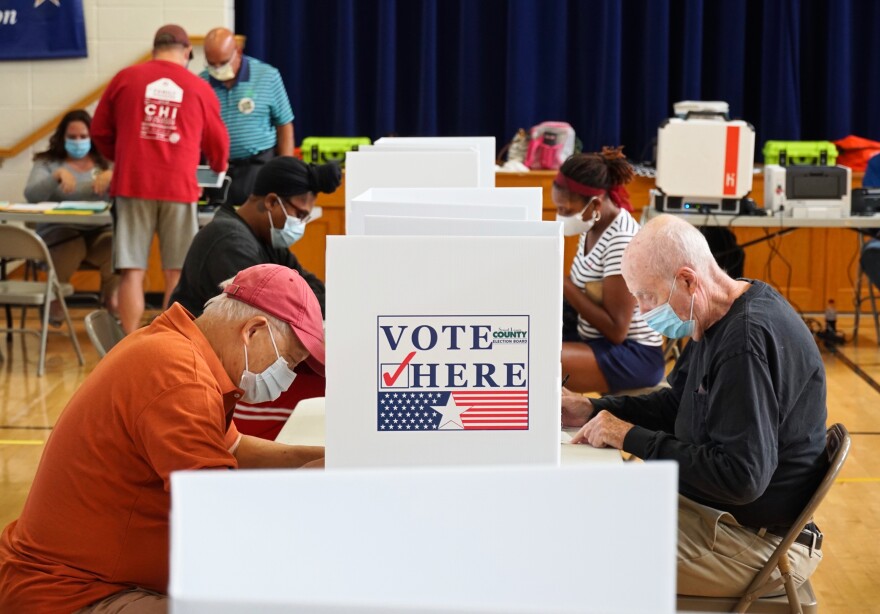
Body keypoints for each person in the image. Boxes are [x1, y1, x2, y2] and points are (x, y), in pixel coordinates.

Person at [0, 263, 325, 612]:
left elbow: (233, 448)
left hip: (85, 577)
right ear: (253, 332)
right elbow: (218, 516)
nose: (288, 377)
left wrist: (321, 459)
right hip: (73, 592)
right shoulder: (179, 377)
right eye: (289, 362)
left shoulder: (180, 348)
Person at [562, 213, 828, 597]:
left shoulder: (744, 344)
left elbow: (741, 477)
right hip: (721, 517)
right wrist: (594, 409)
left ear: (687, 279)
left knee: (579, 555)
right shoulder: (716, 311)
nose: (640, 310)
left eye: (647, 296)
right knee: (583, 513)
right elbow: (677, 406)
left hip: (754, 542)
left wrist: (629, 437)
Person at [170, 156, 339, 440]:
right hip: (202, 373)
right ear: (272, 202)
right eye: (299, 215)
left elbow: (312, 293)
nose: (301, 224)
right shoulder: (229, 241)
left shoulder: (263, 240)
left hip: (225, 363)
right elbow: (279, 313)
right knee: (322, 385)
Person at [91, 24, 229, 334]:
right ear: (187, 52)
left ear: (154, 49)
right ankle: (167, 343)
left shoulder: (125, 78)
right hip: (179, 187)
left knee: (131, 272)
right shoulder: (198, 88)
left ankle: (129, 343)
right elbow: (219, 144)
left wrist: (123, 156)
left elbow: (98, 130)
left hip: (131, 183)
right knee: (177, 273)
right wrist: (217, 169)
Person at [555, 147, 664, 393]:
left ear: (595, 204)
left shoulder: (621, 239)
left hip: (633, 353)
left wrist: (564, 284)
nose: (560, 216)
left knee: (538, 359)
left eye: (565, 210)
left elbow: (616, 330)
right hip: (595, 339)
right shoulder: (593, 226)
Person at [24, 109, 119, 322]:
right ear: (62, 138)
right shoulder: (47, 162)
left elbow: (129, 194)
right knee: (70, 245)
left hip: (99, 231)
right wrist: (56, 177)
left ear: (92, 137)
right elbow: (31, 194)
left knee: (116, 245)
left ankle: (113, 298)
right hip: (59, 231)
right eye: (72, 137)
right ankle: (55, 300)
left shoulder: (107, 163)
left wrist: (115, 176)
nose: (78, 141)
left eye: (83, 137)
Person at [201, 27, 294, 206]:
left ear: (238, 52)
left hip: (258, 167)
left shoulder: (267, 76)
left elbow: (285, 125)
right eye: (212, 64)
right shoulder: (202, 83)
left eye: (223, 63)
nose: (217, 69)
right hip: (219, 170)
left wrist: (286, 173)